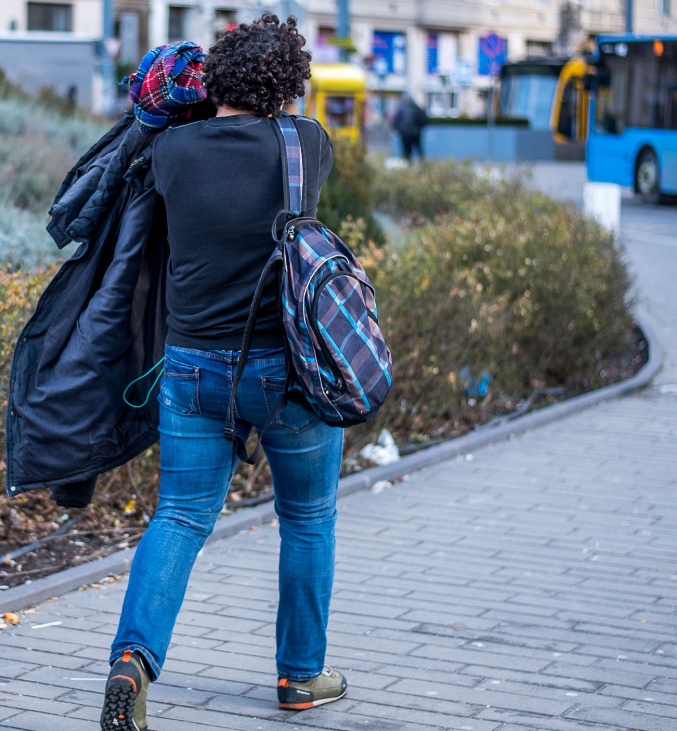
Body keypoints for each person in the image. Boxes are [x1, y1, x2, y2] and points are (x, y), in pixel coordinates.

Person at [100, 15, 346, 731]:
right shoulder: (306, 144)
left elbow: (158, 130)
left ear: (217, 80)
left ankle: (131, 663)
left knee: (178, 515)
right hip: (291, 373)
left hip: (193, 371)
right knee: (307, 519)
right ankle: (301, 677)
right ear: (291, 85)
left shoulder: (173, 151)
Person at [392, 93, 428, 160]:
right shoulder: (416, 108)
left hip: (407, 134)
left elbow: (396, 121)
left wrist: (399, 130)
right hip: (413, 134)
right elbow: (425, 120)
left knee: (408, 152)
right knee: (415, 151)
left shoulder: (402, 109)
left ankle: (409, 164)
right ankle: (414, 164)